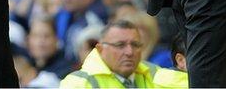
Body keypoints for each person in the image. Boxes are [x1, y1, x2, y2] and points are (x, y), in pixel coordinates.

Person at [60, 20, 188, 88]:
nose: (129, 52)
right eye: (120, 45)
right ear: (100, 49)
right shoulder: (78, 83)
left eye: (135, 45)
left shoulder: (153, 73)